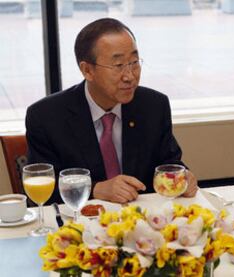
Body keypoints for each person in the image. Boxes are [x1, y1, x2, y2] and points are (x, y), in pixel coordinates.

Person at [26, 18, 198, 204]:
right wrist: (95, 189)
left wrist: (182, 177)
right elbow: (42, 190)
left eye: (134, 62)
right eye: (118, 66)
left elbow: (168, 164)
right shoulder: (46, 116)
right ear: (87, 70)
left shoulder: (154, 106)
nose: (130, 76)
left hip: (143, 222)